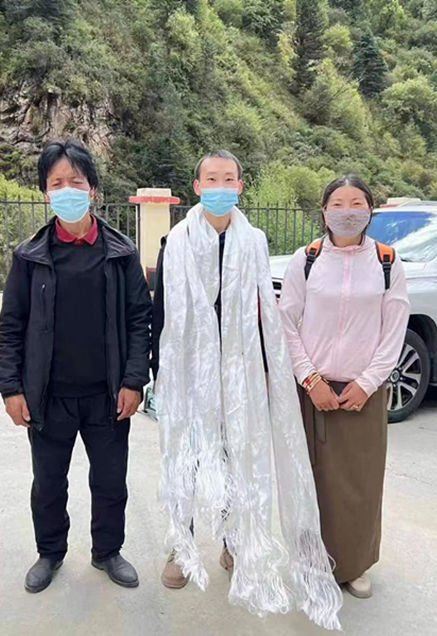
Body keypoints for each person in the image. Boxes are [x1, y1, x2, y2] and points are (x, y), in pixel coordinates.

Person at [153, 150, 343, 630]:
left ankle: (234, 542)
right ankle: (181, 545)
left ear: (240, 186)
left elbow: (264, 311)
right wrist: (162, 372)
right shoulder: (174, 242)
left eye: (229, 178)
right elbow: (163, 313)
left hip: (240, 369)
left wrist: (267, 368)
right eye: (211, 178)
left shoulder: (254, 241)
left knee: (238, 456)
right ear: (197, 186)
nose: (220, 186)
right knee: (187, 456)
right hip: (190, 370)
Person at [0, 139, 152, 593]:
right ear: (46, 193)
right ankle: (50, 552)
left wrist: (134, 380)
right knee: (48, 483)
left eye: (76, 182)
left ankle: (108, 551)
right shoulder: (29, 256)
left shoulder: (121, 253)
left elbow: (139, 320)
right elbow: (12, 324)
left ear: (93, 190)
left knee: (110, 481)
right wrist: (11, 387)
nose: (67, 190)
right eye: (57, 183)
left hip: (107, 394)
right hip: (48, 394)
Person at [278, 175, 410, 600]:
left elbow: (394, 329)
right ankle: (309, 562)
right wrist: (309, 378)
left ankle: (354, 564)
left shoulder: (387, 262)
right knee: (309, 479)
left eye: (357, 203)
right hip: (312, 391)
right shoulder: (307, 259)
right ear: (324, 211)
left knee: (359, 483)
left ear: (369, 211)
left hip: (362, 394)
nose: (347, 211)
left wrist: (368, 383)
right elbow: (286, 322)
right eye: (338, 203)